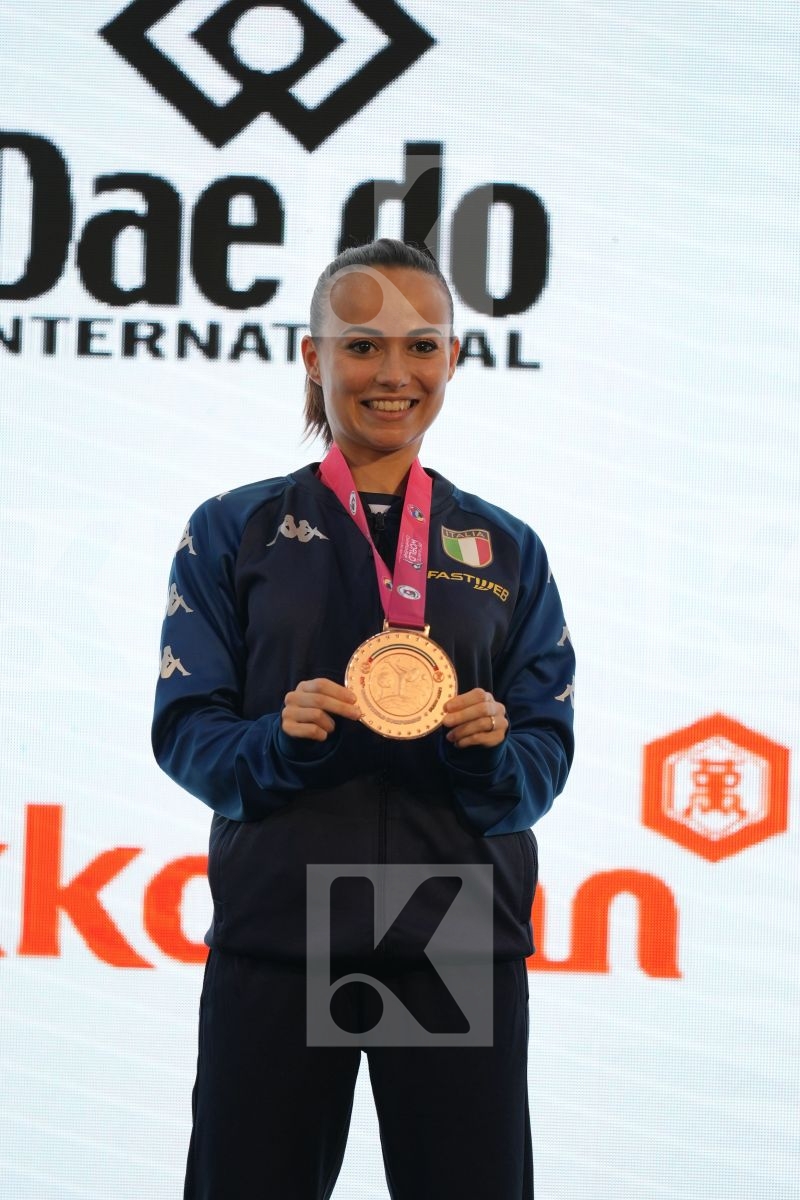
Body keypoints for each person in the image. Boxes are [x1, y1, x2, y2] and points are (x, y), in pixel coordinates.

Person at [152, 237, 575, 1199]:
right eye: (363, 345)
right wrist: (279, 739)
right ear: (314, 357)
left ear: (455, 360)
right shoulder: (235, 529)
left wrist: (495, 754)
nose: (395, 374)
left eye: (423, 346)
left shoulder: (507, 547)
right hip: (283, 921)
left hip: (451, 929)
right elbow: (187, 732)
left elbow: (547, 755)